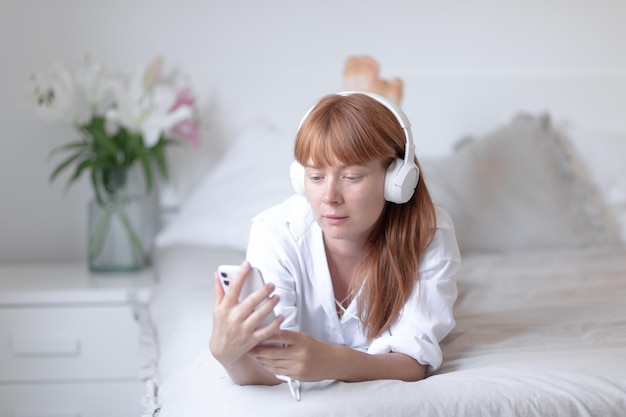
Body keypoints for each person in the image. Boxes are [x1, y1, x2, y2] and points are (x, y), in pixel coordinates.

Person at [209, 55, 460, 391]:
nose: (329, 197)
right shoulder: (275, 232)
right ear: (299, 180)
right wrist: (227, 355)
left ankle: (369, 103)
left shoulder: (429, 232)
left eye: (352, 176)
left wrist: (331, 361)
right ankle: (365, 105)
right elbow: (269, 367)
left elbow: (414, 363)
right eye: (315, 176)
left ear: (396, 181)